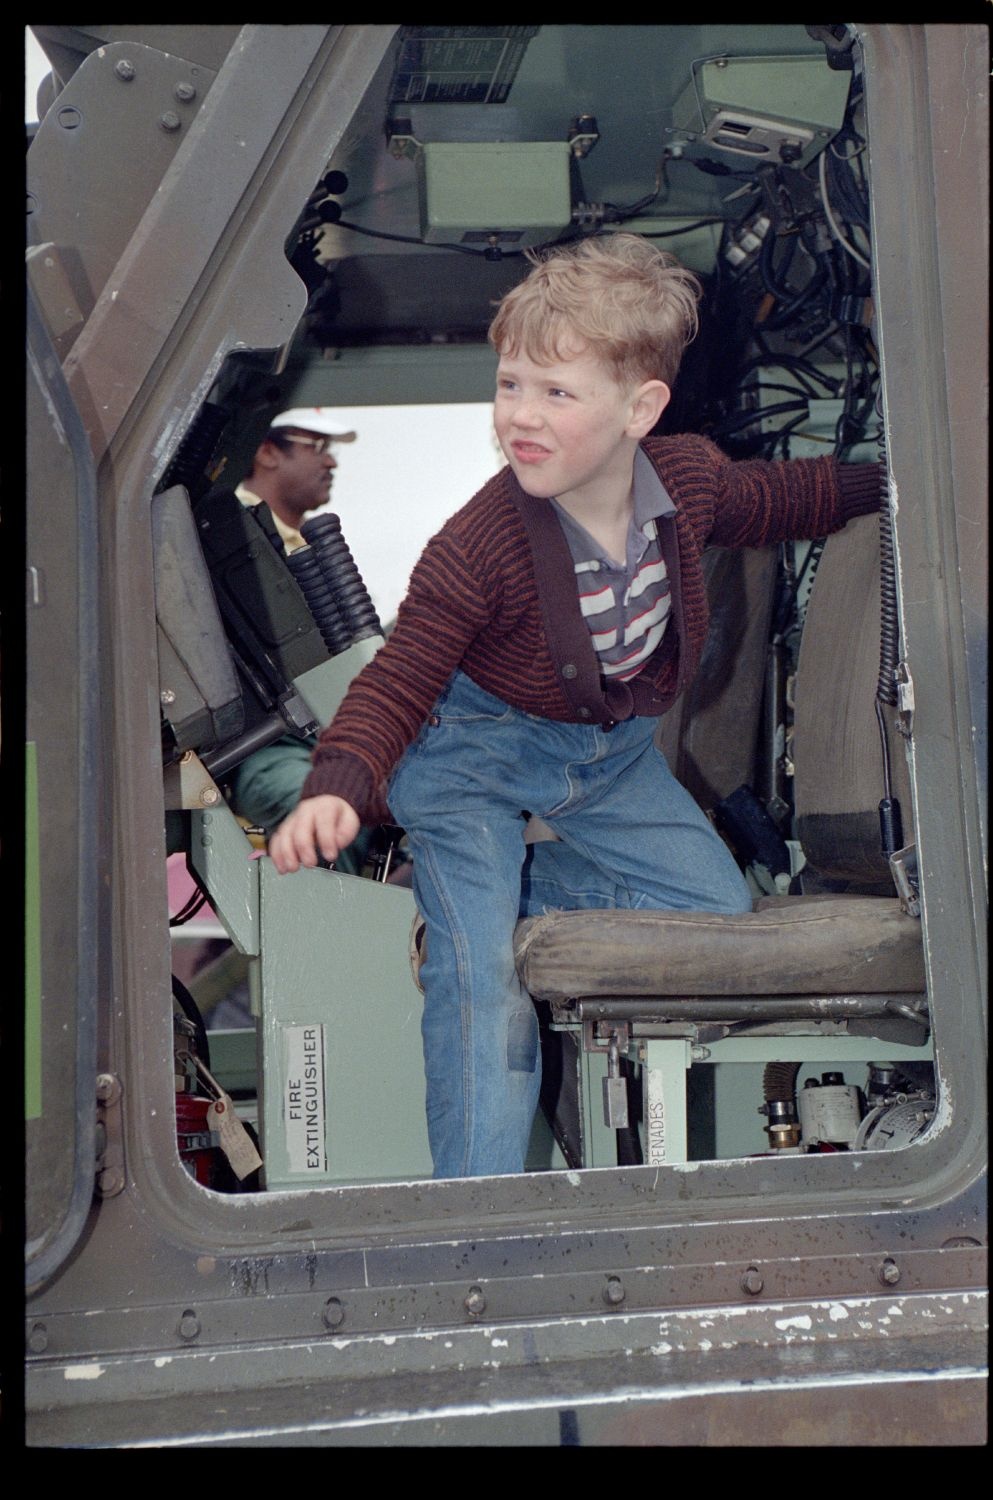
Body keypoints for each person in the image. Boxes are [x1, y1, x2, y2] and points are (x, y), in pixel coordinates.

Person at [267, 233, 882, 1180]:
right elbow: (401, 675)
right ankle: (474, 1219)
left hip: (609, 755)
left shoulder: (686, 480)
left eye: (557, 393)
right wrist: (339, 785)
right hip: (471, 756)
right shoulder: (478, 545)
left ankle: (491, 899)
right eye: (509, 384)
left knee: (716, 910)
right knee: (484, 991)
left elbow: (781, 496)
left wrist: (900, 481)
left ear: (640, 409)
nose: (521, 415)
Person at [224, 408, 372, 875]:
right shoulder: (232, 545)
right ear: (267, 451)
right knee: (322, 804)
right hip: (266, 746)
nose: (330, 463)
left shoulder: (292, 546)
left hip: (327, 729)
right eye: (317, 448)